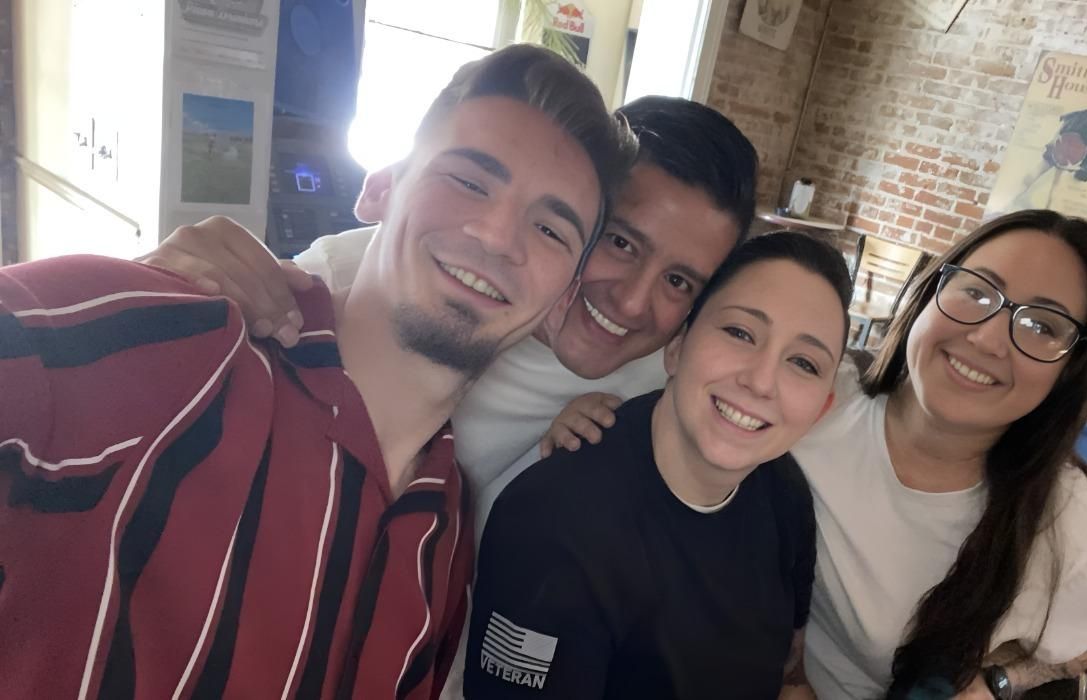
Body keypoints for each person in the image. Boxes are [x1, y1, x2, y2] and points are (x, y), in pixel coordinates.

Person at [0, 44, 636, 699]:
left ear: (565, 296)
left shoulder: (444, 537)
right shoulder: (156, 341)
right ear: (380, 188)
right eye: (469, 181)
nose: (500, 236)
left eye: (551, 231)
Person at [543, 210, 1087, 698]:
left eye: (1043, 326)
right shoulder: (812, 397)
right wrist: (599, 419)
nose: (987, 338)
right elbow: (693, 395)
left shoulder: (1079, 531)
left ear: (1071, 368)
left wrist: (996, 681)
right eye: (977, 292)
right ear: (930, 292)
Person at [143, 95, 758, 508]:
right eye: (620, 242)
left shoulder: (674, 376)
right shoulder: (372, 275)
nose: (630, 302)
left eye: (680, 282)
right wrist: (166, 281)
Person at [464, 232, 853, 699]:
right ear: (676, 346)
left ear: (822, 407)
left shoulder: (783, 490)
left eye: (804, 363)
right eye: (740, 333)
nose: (761, 382)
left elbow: (789, 673)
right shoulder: (552, 524)